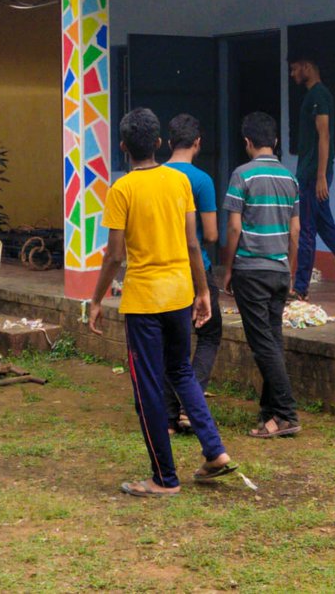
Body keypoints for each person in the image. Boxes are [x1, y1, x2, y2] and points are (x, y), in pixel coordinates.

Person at [88, 108, 234, 497]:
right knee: (181, 372)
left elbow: (114, 255)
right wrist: (202, 291)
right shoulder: (178, 182)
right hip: (179, 293)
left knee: (148, 388)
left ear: (122, 147)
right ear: (158, 143)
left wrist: (96, 298)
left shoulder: (121, 190)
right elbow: (192, 243)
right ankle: (215, 452)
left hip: (144, 301)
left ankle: (164, 478)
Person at [219, 112, 302, 438]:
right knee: (272, 339)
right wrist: (291, 271)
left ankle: (285, 413)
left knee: (262, 343)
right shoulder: (290, 180)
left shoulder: (242, 176)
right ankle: (270, 413)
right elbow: (295, 231)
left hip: (251, 270)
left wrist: (227, 269)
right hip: (280, 269)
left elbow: (235, 226)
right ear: (276, 142)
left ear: (247, 143)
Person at [163, 113, 221, 434]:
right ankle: (191, 402)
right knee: (210, 334)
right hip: (196, 270)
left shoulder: (156, 176)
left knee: (171, 343)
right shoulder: (201, 180)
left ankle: (170, 418)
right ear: (198, 143)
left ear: (169, 143)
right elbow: (210, 234)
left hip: (164, 269)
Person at [288, 53, 335, 300]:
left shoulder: (318, 95)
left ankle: (300, 288)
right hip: (310, 172)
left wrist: (320, 177)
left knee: (307, 228)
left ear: (307, 66)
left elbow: (324, 136)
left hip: (312, 175)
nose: (292, 74)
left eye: (295, 69)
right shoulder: (313, 96)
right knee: (326, 227)